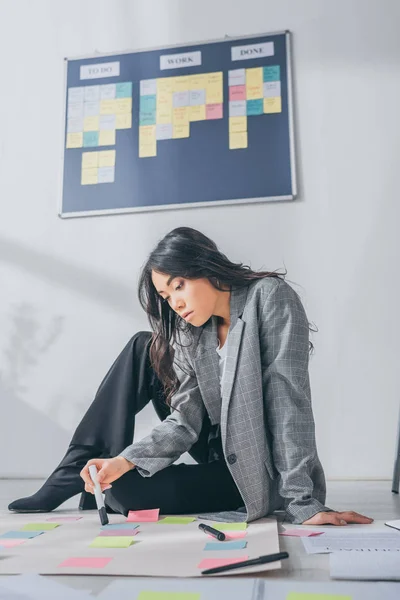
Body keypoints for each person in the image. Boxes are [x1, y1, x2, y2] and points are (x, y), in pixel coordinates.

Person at [9, 227, 373, 526]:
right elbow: (185, 419)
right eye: (166, 296)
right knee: (119, 480)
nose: (176, 303)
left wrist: (302, 502)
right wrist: (123, 461)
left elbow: (286, 400)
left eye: (179, 285)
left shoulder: (269, 297)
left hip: (255, 467)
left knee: (126, 492)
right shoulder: (192, 331)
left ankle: (79, 473)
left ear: (207, 266)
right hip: (215, 448)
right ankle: (87, 470)